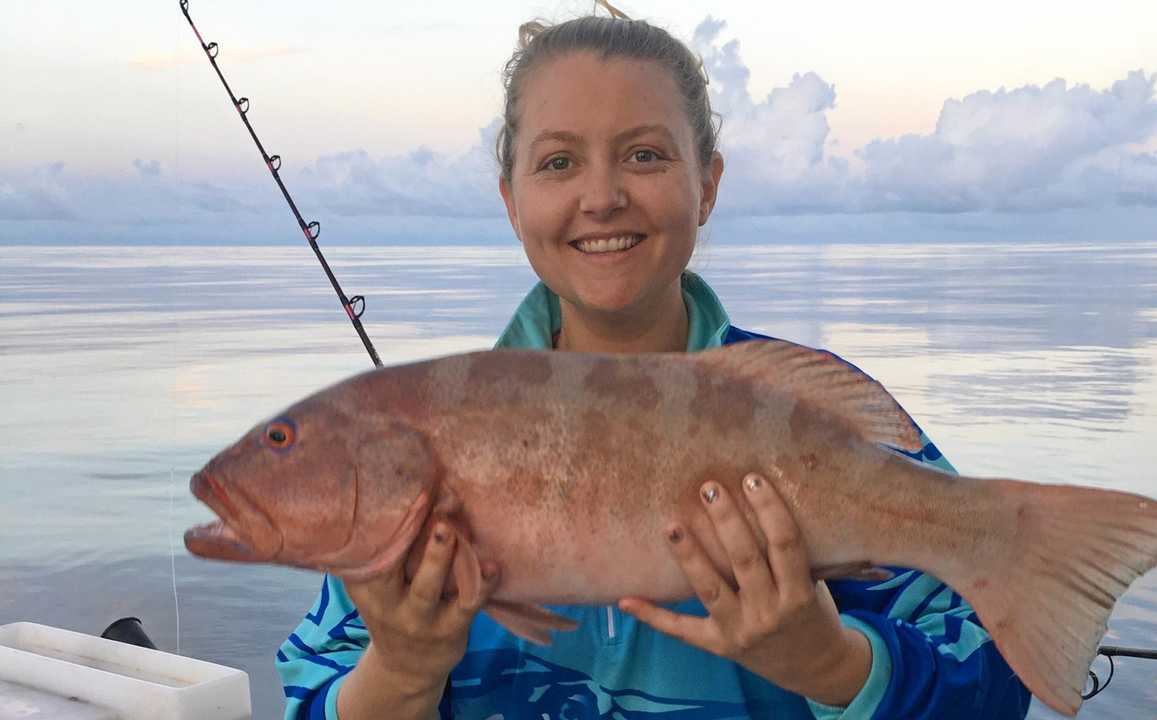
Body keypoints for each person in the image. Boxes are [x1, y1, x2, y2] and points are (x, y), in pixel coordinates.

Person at [277, 4, 1032, 718]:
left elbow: (1001, 677)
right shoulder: (417, 437)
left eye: (644, 155)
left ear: (707, 185)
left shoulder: (807, 409)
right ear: (511, 201)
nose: (601, 197)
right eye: (559, 162)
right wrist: (402, 670)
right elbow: (308, 692)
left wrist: (833, 662)